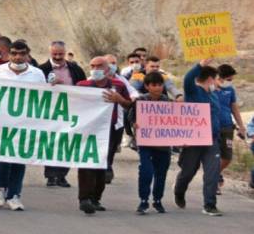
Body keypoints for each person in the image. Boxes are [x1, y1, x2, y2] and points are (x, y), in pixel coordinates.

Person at [0, 40, 46, 211]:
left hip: (25, 124)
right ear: (9, 54)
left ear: (28, 54)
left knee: (19, 159)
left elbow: (44, 98)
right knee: (1, 158)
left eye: (22, 54)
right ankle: (0, 189)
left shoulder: (37, 74)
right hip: (1, 123)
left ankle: (14, 195)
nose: (18, 57)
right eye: (14, 53)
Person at [76, 56, 131, 214]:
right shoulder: (83, 85)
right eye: (92, 66)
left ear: (108, 69)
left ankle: (95, 198)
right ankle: (84, 199)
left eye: (99, 66)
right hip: (88, 128)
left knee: (102, 165)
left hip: (109, 130)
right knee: (86, 162)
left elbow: (129, 105)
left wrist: (119, 99)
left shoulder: (119, 85)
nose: (95, 69)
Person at [174, 59, 223, 216]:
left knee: (212, 172)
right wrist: (200, 65)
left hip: (212, 140)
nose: (218, 82)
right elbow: (188, 78)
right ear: (210, 78)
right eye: (216, 78)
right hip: (194, 141)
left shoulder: (214, 95)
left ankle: (210, 204)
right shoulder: (193, 91)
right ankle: (179, 190)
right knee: (188, 172)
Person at [38, 41, 87, 188]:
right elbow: (35, 89)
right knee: (51, 143)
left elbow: (84, 87)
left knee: (67, 143)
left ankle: (62, 176)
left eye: (60, 54)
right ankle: (51, 176)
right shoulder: (42, 69)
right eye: (55, 54)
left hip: (71, 111)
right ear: (50, 53)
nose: (58, 56)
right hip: (50, 112)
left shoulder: (75, 69)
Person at [127, 72, 171, 215]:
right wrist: (135, 124)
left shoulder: (168, 102)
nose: (157, 88)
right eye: (154, 85)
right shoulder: (140, 101)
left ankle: (157, 200)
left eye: (160, 85)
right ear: (147, 86)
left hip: (163, 144)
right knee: (146, 171)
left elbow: (176, 122)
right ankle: (144, 200)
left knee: (161, 173)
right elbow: (130, 117)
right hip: (145, 143)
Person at [213, 64, 246, 194]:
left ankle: (214, 174)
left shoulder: (230, 90)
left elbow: (234, 108)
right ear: (219, 77)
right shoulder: (209, 88)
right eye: (229, 79)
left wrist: (241, 126)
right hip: (211, 127)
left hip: (227, 127)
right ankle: (213, 180)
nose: (230, 82)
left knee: (227, 157)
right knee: (214, 156)